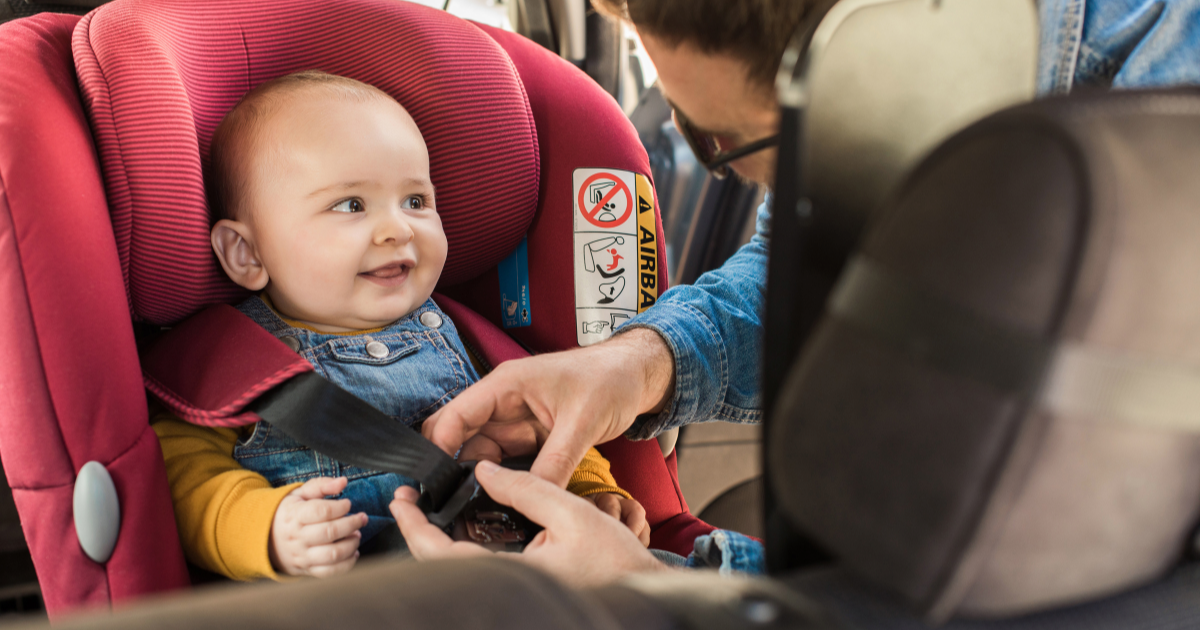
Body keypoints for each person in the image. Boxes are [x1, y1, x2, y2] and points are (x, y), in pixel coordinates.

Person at [393, 0, 1200, 584]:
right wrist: (640, 364)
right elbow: (810, 254)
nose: (729, 170)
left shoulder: (1165, 142)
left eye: (726, 141)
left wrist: (658, 594)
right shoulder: (871, 87)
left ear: (877, 45)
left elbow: (1069, 583)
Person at [150, 70, 648, 581]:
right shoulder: (230, 366)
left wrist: (590, 489)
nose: (397, 229)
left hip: (524, 571)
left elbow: (544, 422)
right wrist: (269, 530)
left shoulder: (464, 337)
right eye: (351, 205)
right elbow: (184, 479)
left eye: (416, 201)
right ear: (247, 252)